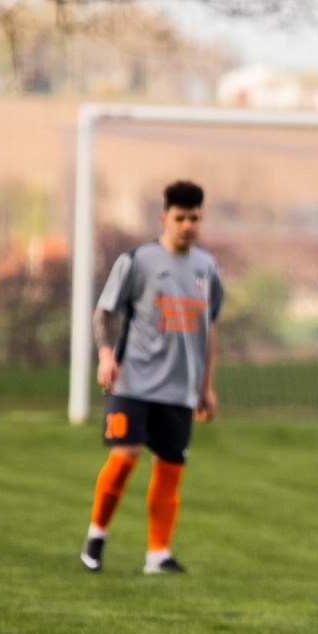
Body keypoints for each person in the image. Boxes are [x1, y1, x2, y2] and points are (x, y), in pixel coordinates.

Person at [81, 180, 222, 575]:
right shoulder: (137, 261)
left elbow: (209, 329)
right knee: (124, 458)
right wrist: (106, 355)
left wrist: (206, 386)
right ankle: (96, 537)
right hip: (134, 381)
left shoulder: (207, 269)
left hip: (180, 388)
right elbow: (103, 312)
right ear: (165, 218)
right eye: (180, 218)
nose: (188, 226)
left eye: (195, 218)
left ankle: (158, 555)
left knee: (170, 467)